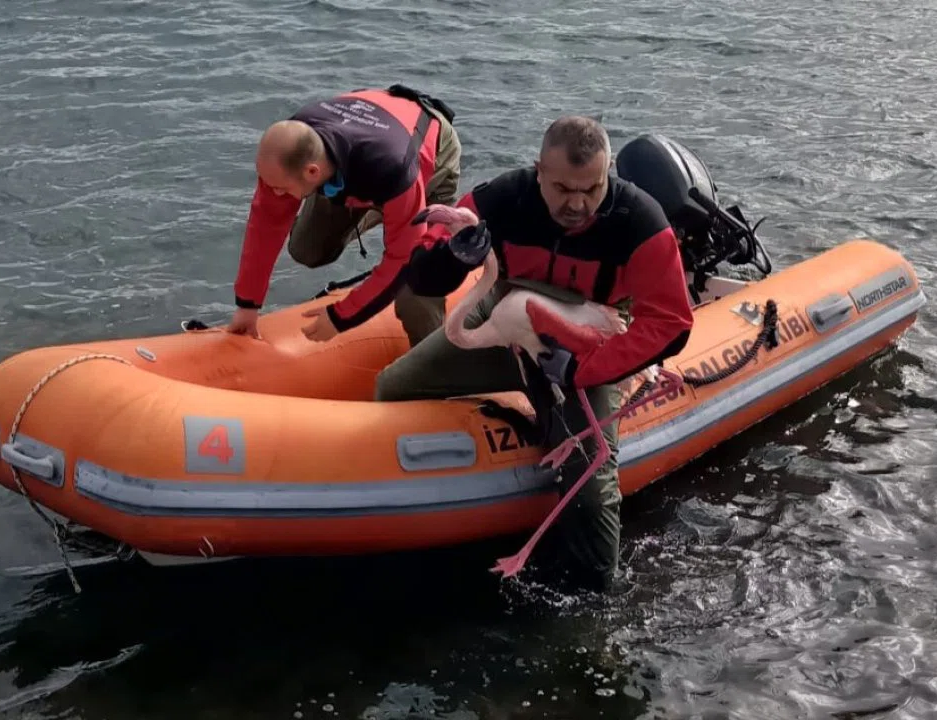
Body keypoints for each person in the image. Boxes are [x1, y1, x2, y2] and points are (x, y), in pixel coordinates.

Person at [374, 116, 695, 591]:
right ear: (538, 170)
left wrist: (583, 369)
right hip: (504, 315)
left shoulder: (638, 220)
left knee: (590, 491)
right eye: (563, 188)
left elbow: (671, 322)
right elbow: (422, 276)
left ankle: (594, 601)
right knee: (392, 387)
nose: (577, 204)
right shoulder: (502, 199)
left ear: (607, 175)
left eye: (592, 189)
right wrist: (455, 256)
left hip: (584, 343)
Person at [226, 84, 462, 347]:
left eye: (281, 188)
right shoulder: (287, 151)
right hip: (367, 126)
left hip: (429, 152)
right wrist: (248, 304)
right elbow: (265, 225)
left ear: (312, 172)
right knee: (308, 249)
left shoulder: (393, 168)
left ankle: (433, 359)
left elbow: (403, 259)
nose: (275, 193)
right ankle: (391, 214)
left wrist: (341, 316)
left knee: (416, 286)